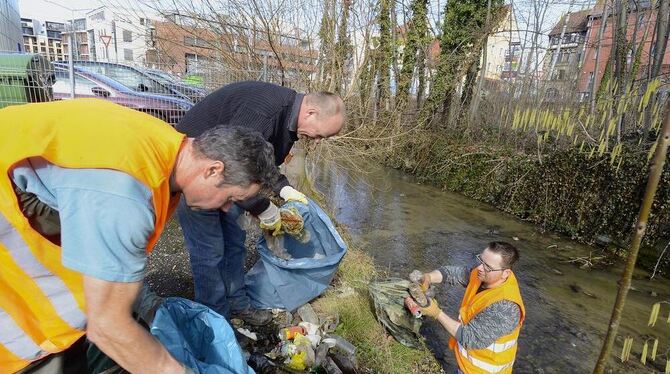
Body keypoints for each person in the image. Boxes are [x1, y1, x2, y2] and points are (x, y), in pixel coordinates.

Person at [0, 98, 279, 373]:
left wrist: (144, 306)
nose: (228, 207)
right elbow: (107, 327)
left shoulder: (165, 149)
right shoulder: (126, 195)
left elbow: (116, 255)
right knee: (36, 333)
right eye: (230, 196)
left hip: (30, 180)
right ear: (212, 169)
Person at [175, 81, 345, 325]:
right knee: (209, 252)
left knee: (234, 242)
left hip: (227, 175)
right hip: (199, 175)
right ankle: (215, 321)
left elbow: (259, 161)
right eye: (321, 134)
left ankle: (238, 304)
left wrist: (283, 188)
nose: (317, 141)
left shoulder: (288, 119)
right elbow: (233, 163)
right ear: (311, 113)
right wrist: (262, 207)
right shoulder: (264, 112)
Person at [416, 241, 526, 373]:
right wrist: (429, 277)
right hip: (466, 365)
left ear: (505, 273)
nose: (480, 267)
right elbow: (452, 274)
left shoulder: (506, 307)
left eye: (487, 267)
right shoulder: (481, 273)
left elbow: (470, 337)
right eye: (480, 259)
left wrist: (435, 312)